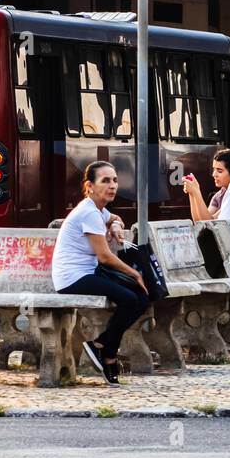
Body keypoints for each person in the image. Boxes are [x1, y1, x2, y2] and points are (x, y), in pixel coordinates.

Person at [52, 162, 150, 385]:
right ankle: (108, 356)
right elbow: (105, 257)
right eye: (105, 181)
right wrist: (135, 274)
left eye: (115, 180)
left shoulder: (97, 209)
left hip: (89, 273)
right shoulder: (88, 213)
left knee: (143, 298)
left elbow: (113, 218)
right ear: (90, 186)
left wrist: (115, 225)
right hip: (72, 278)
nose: (112, 185)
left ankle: (101, 345)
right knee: (128, 298)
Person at [182, 148, 230, 222]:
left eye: (219, 171)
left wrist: (196, 191)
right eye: (214, 169)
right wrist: (192, 193)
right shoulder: (219, 195)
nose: (214, 174)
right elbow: (199, 221)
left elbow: (210, 222)